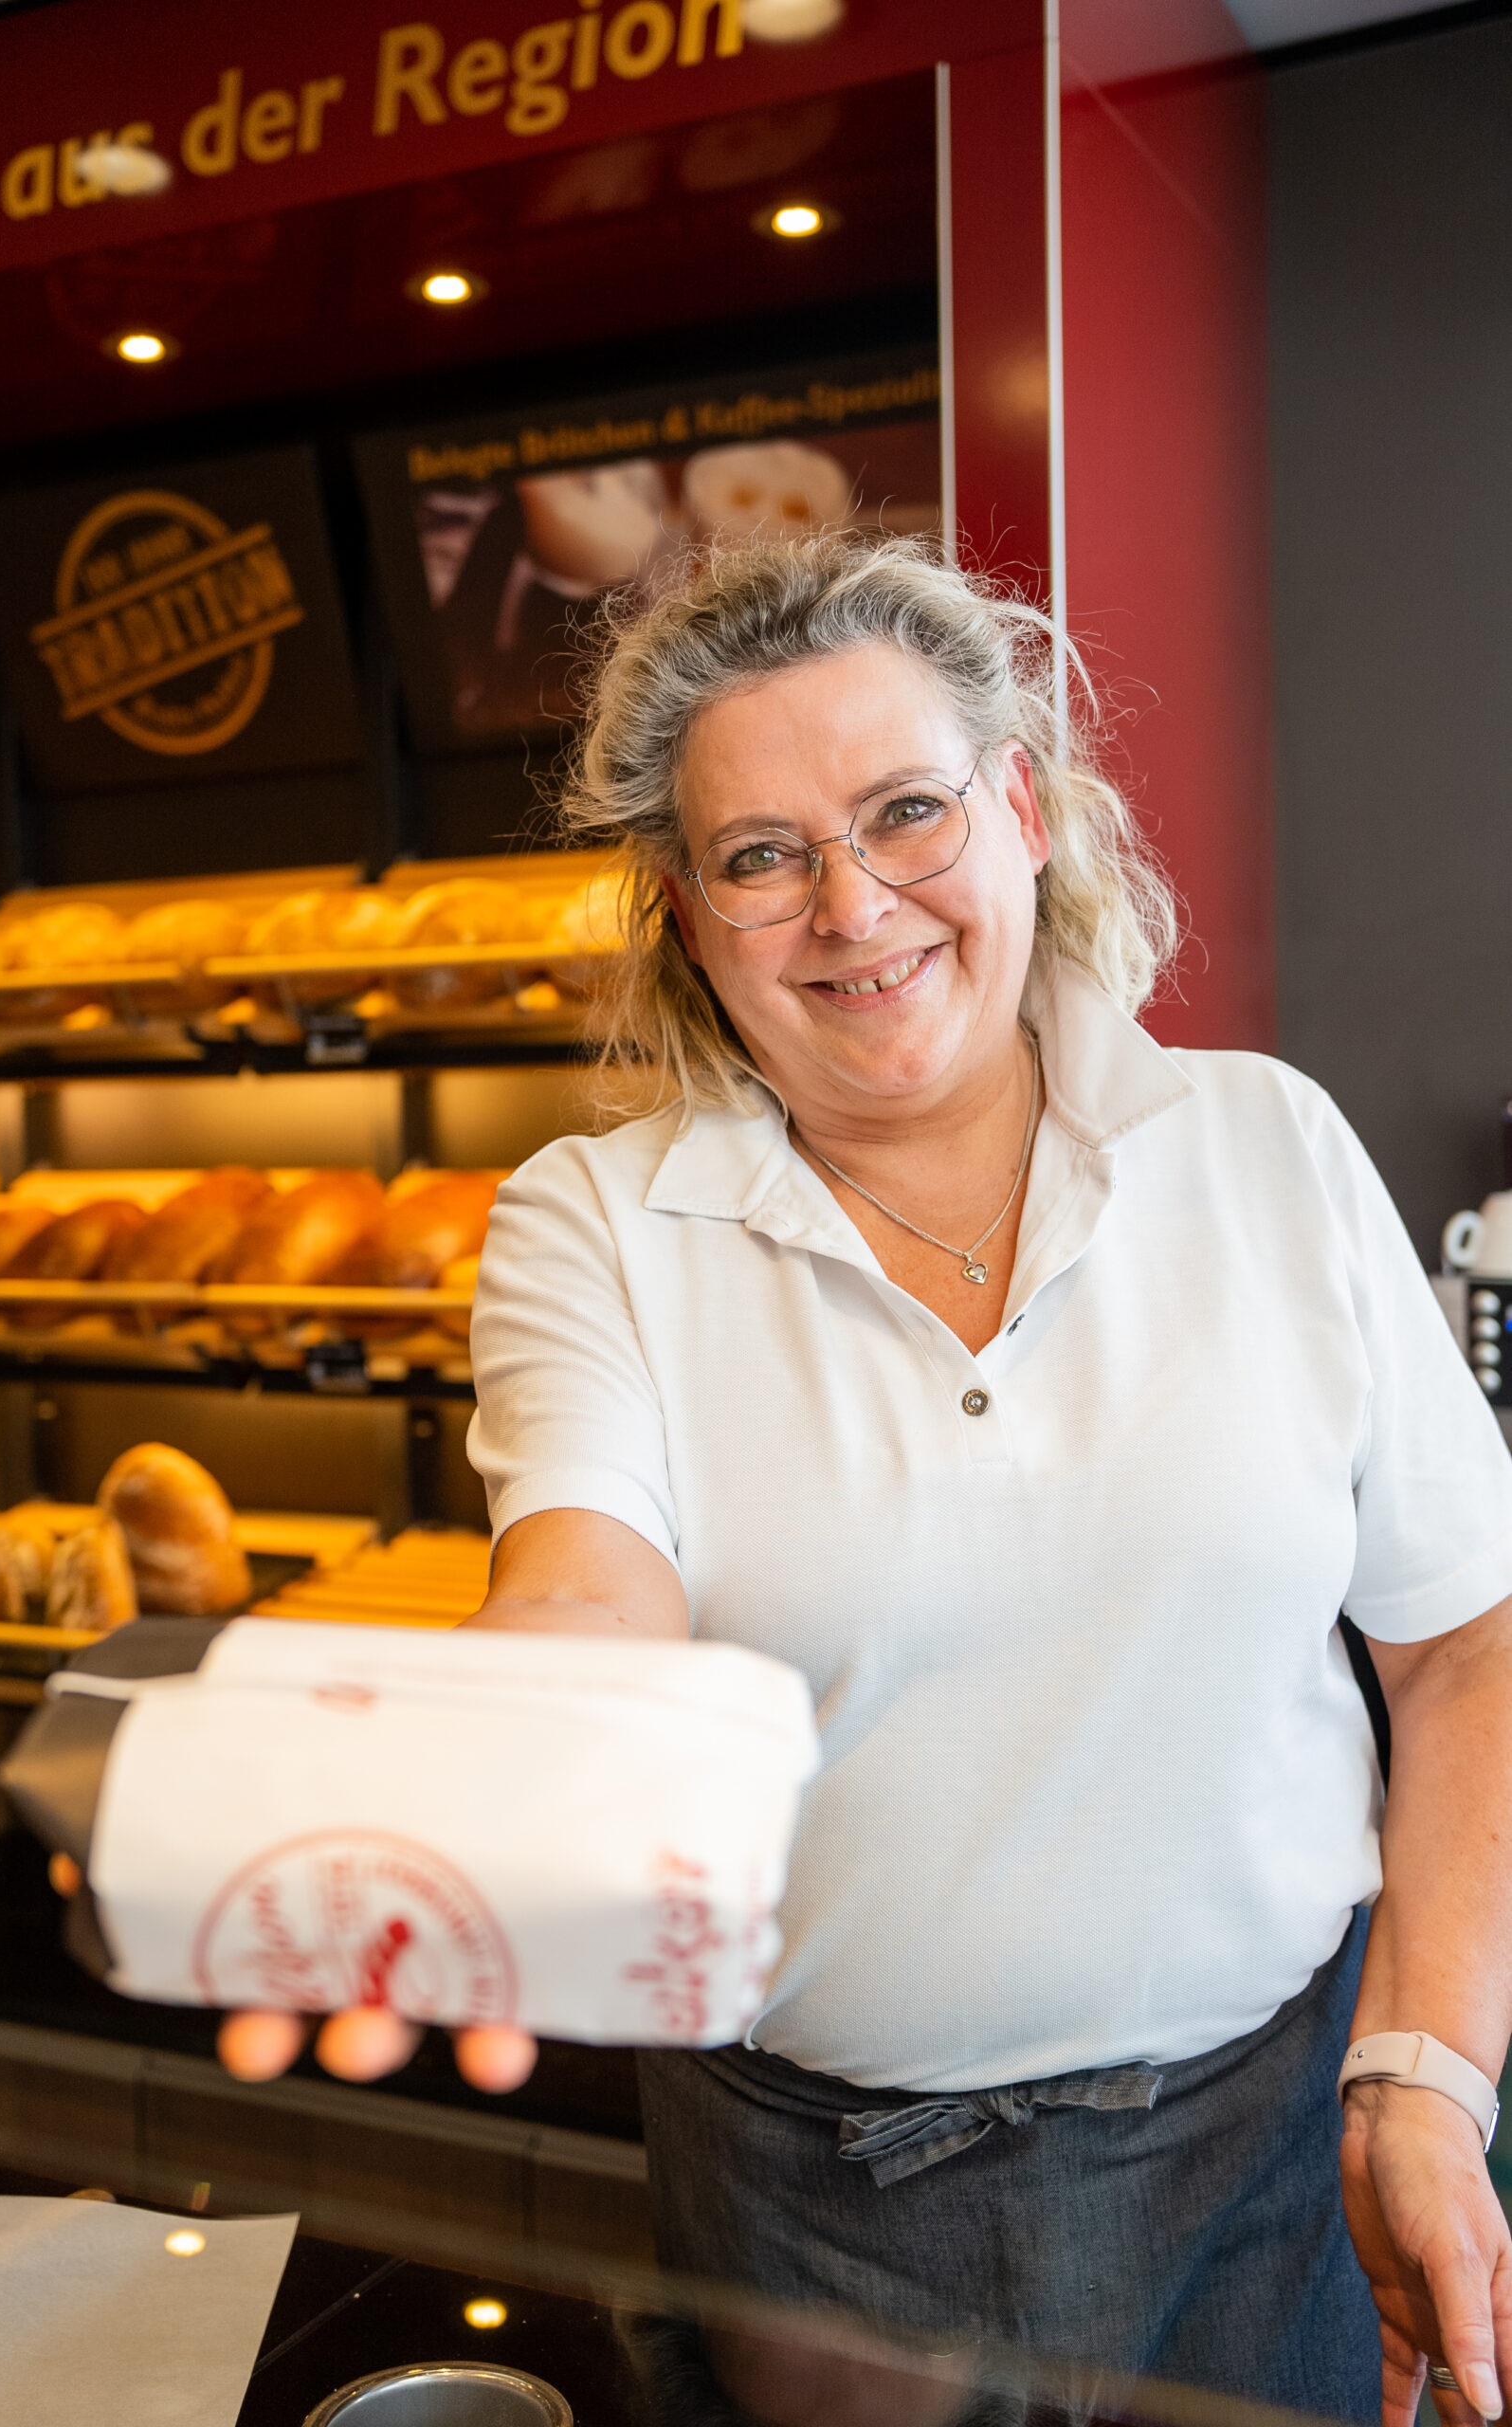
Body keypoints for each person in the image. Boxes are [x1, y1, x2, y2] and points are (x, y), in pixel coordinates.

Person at [219, 538, 1512, 2427]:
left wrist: (1424, 2071)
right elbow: (589, 1585)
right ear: (687, 903)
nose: (851, 904)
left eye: (909, 811)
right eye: (762, 854)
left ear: (1024, 810)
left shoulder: (1264, 1152)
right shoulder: (601, 1220)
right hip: (818, 2210)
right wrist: (497, 1759)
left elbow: (1464, 1644)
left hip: (1270, 2166)